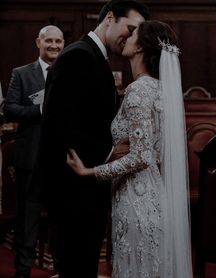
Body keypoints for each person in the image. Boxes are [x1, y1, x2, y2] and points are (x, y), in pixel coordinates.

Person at [30, 1, 149, 277]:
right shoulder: (79, 56)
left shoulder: (95, 57)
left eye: (136, 34)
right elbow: (59, 124)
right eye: (129, 28)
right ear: (109, 17)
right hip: (73, 191)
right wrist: (110, 153)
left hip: (86, 189)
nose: (131, 38)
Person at [67, 20, 193, 278]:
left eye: (133, 34)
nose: (127, 36)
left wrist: (90, 172)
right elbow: (151, 150)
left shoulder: (137, 91)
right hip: (156, 196)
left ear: (140, 49)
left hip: (136, 201)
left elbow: (140, 156)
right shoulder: (162, 91)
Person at [3, 25, 64, 278]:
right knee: (27, 219)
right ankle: (22, 270)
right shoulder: (21, 74)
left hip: (62, 159)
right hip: (30, 157)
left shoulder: (69, 72)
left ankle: (63, 270)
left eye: (58, 41)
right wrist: (39, 111)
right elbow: (10, 109)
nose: (54, 45)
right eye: (48, 41)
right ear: (37, 43)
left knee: (62, 220)